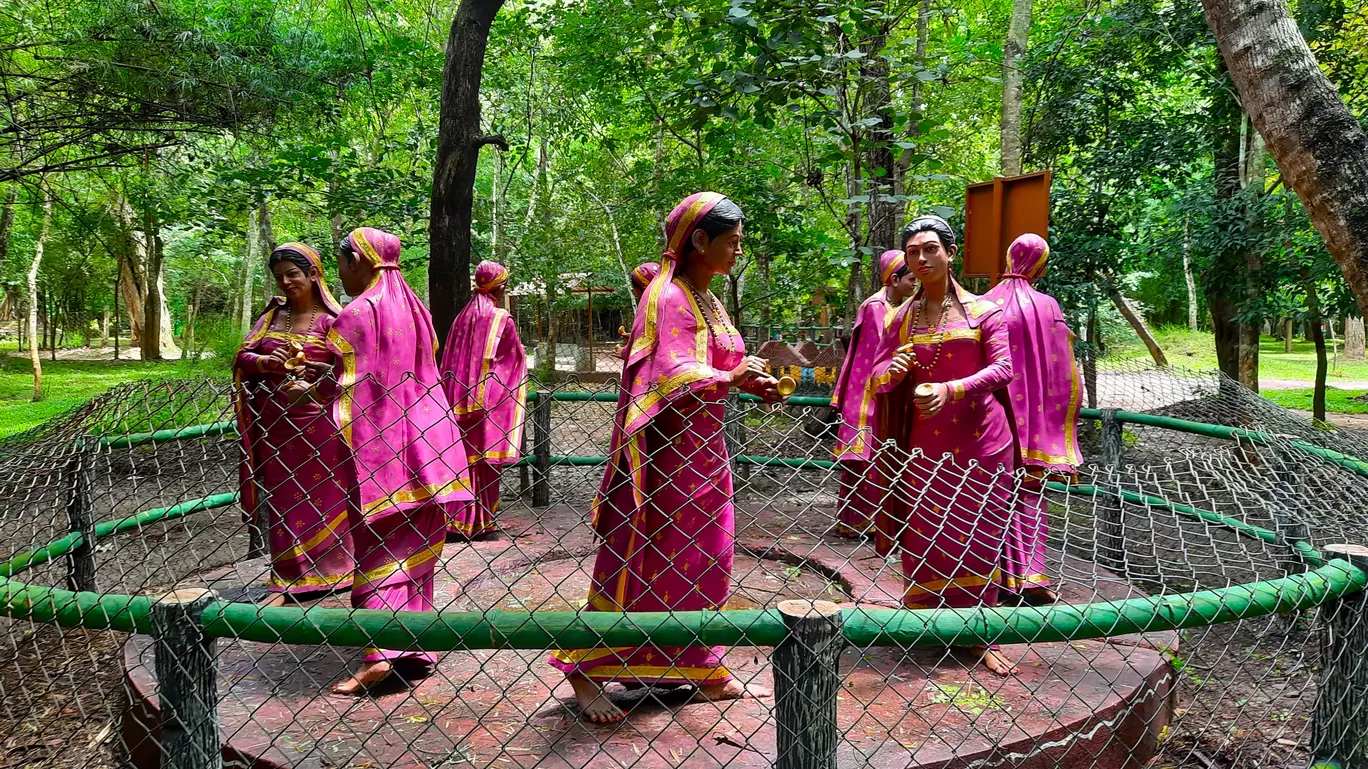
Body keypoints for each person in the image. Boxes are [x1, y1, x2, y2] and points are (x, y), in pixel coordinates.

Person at [549, 193, 783, 723]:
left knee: (707, 556)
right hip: (665, 457)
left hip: (707, 449)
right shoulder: (667, 294)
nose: (738, 250)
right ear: (700, 240)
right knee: (646, 555)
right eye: (732, 241)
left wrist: (752, 373)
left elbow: (718, 357)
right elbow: (668, 371)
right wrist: (729, 377)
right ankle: (587, 671)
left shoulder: (708, 296)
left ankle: (696, 663)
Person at [290, 227, 475, 695]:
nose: (339, 273)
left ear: (360, 260)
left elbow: (351, 382)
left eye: (342, 262)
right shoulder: (415, 308)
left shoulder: (356, 312)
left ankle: (378, 655)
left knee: (377, 546)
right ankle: (415, 646)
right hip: (432, 440)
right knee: (415, 544)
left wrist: (312, 384)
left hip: (381, 446)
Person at [870, 215, 1020, 676]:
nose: (922, 258)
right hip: (924, 447)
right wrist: (894, 368)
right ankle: (927, 623)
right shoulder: (898, 319)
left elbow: (1004, 370)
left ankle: (980, 636)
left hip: (984, 442)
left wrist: (950, 389)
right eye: (914, 251)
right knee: (929, 536)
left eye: (931, 249)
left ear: (950, 253)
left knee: (980, 537)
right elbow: (873, 378)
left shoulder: (984, 312)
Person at [233, 243, 355, 605]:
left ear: (313, 275)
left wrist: (317, 374)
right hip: (274, 422)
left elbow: (351, 369)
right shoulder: (271, 317)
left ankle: (338, 567)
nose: (286, 282)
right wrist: (268, 362)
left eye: (293, 274)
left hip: (321, 423)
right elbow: (243, 355)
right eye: (279, 277)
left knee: (328, 494)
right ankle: (289, 573)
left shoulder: (334, 319)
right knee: (283, 496)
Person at [983, 233, 1082, 605]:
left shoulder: (981, 302)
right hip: (1033, 422)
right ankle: (1028, 576)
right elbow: (1062, 369)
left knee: (988, 495)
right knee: (1028, 494)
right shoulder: (1047, 305)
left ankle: (987, 576)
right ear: (1039, 264)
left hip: (990, 419)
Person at [830, 249, 917, 538]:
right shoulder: (876, 307)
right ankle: (860, 523)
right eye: (911, 279)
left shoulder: (893, 305)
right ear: (894, 279)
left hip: (879, 392)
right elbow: (882, 352)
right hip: (867, 393)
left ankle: (869, 522)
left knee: (876, 459)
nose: (915, 284)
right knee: (865, 461)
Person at [440, 260, 528, 539]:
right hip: (488, 399)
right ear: (500, 287)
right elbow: (513, 358)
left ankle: (453, 520)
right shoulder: (501, 318)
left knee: (460, 459)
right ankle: (476, 522)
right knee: (484, 463)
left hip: (455, 398)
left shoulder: (461, 317)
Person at [614, 262, 660, 357]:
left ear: (643, 288)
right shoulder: (674, 302)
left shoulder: (649, 308)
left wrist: (624, 352)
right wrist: (633, 337)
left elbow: (649, 344)